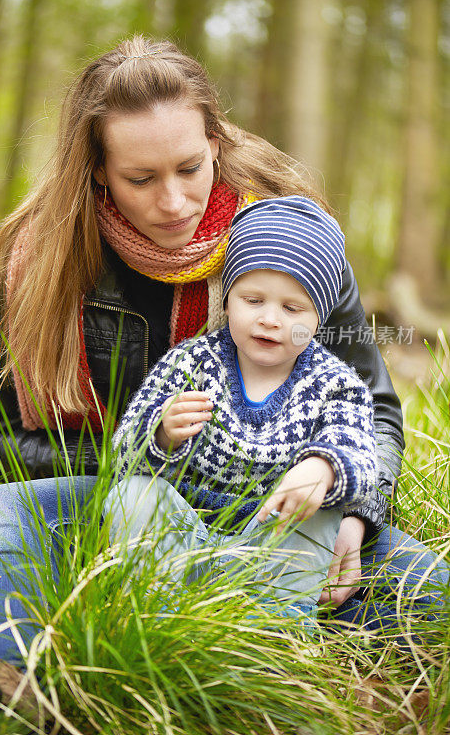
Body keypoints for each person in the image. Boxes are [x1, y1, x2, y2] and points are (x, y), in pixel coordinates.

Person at [0, 35, 447, 695]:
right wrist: (149, 453)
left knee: (431, 594)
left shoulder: (292, 237)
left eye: (190, 168)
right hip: (120, 500)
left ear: (216, 142)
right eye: (141, 179)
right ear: (98, 170)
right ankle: (7, 697)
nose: (174, 202)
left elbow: (373, 407)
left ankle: (258, 633)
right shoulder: (40, 260)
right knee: (1, 511)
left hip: (282, 506)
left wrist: (353, 507)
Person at [105, 197, 377, 622]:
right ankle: (156, 619)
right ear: (227, 299)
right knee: (134, 495)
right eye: (253, 300)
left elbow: (359, 452)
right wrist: (160, 433)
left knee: (320, 514)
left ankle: (271, 630)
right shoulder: (190, 364)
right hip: (185, 537)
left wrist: (323, 468)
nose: (270, 319)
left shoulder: (335, 384)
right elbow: (122, 457)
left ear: (318, 318)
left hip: (270, 545)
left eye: (292, 308)